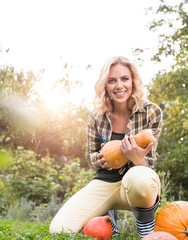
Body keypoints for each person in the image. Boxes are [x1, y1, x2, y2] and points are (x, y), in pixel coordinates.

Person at [49, 56, 163, 238]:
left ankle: (145, 225)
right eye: (112, 81)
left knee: (141, 180)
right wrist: (101, 159)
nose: (119, 85)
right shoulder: (96, 117)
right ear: (105, 85)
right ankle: (107, 219)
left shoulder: (151, 112)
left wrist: (136, 158)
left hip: (135, 183)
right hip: (104, 182)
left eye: (124, 79)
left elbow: (150, 161)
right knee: (59, 229)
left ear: (133, 81)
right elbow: (91, 156)